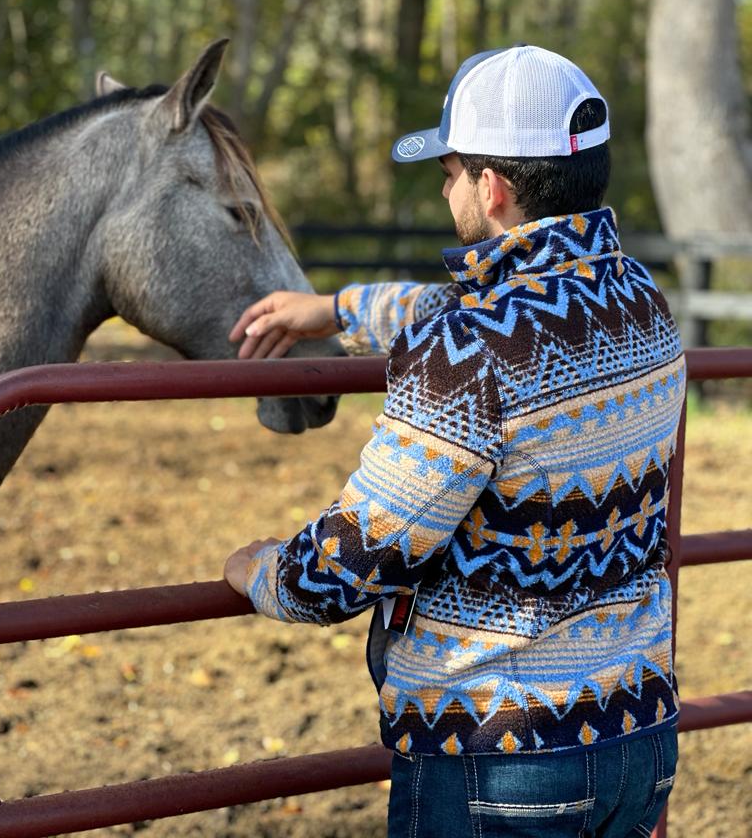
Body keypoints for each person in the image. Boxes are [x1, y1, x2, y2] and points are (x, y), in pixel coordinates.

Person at [224, 45, 684, 837]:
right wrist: (336, 308)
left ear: (494, 189)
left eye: (450, 172)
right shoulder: (643, 303)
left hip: (502, 758)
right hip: (636, 739)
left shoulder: (470, 351)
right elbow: (492, 313)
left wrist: (256, 571)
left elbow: (352, 563)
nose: (445, 189)